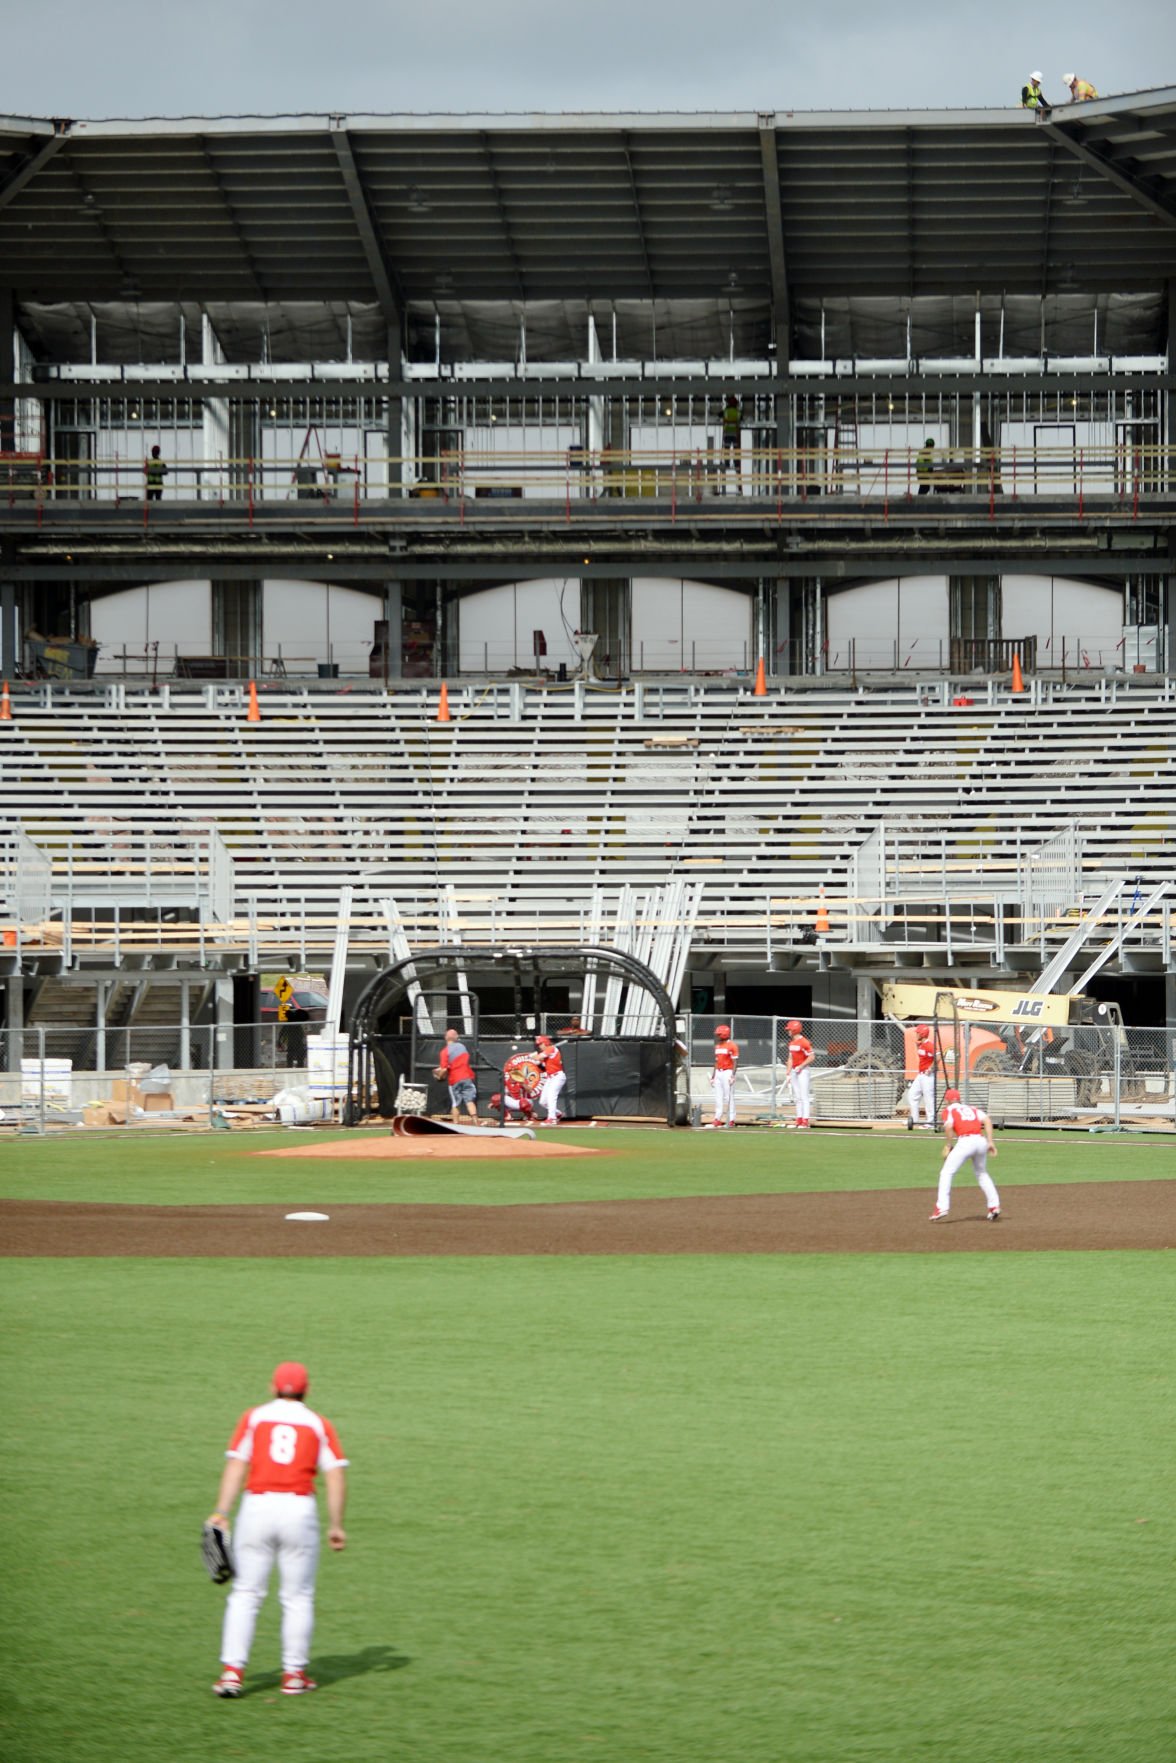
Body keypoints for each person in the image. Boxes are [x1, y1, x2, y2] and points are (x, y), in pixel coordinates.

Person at [210, 1361, 348, 1699]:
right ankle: (294, 1675)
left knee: (245, 1593)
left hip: (257, 1509)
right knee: (297, 1597)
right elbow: (335, 1474)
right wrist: (336, 1525)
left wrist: (221, 1511)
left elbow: (237, 1464)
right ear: (307, 1390)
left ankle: (232, 1673)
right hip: (299, 1511)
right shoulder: (318, 1423)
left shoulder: (254, 1417)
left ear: (273, 1387)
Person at [930, 1088, 1001, 1221]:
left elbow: (949, 1127)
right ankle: (994, 1206)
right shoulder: (972, 1108)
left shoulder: (949, 1110)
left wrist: (948, 1145)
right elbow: (987, 1120)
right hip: (980, 1141)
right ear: (959, 1099)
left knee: (946, 1172)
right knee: (981, 1173)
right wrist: (990, 1142)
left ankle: (942, 1207)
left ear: (948, 1100)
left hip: (966, 1141)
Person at [434, 1026, 478, 1122]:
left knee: (455, 1103)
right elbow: (459, 1061)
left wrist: (439, 1076)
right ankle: (475, 1122)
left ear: (446, 1037)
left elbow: (444, 1069)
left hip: (455, 1080)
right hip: (467, 1078)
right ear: (456, 1037)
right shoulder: (462, 1047)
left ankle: (456, 1124)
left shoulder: (444, 1052)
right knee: (469, 1101)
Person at [785, 1018, 815, 1128]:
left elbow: (812, 1056)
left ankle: (805, 1121)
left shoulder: (804, 1042)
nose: (788, 1031)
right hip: (794, 1071)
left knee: (804, 1096)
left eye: (789, 1029)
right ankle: (799, 1119)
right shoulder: (791, 1042)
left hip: (803, 1071)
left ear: (794, 1030)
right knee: (797, 1096)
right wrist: (788, 1073)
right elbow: (790, 1058)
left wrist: (801, 1066)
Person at [906, 1024, 937, 1130]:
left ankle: (930, 1122)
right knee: (912, 1095)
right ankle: (914, 1120)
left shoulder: (929, 1044)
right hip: (921, 1075)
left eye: (918, 1033)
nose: (916, 1034)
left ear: (922, 1034)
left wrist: (931, 1068)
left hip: (928, 1076)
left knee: (929, 1099)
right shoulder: (922, 1044)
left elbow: (938, 1056)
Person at [710, 1024, 739, 1128]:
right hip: (718, 1071)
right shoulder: (717, 1046)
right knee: (718, 1096)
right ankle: (717, 1118)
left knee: (729, 1096)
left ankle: (731, 1119)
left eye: (719, 1034)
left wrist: (733, 1075)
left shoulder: (732, 1045)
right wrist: (713, 1076)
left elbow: (735, 1061)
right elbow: (716, 1061)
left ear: (724, 1034)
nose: (717, 1036)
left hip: (727, 1072)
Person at [534, 1033, 566, 1125]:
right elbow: (541, 1062)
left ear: (545, 1042)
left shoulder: (551, 1048)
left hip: (558, 1077)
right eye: (538, 1045)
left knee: (551, 1096)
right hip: (550, 1078)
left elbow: (538, 1057)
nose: (539, 1046)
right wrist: (536, 1059)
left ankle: (552, 1118)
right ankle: (558, 1114)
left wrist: (532, 1056)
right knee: (543, 1102)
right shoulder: (548, 1053)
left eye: (540, 1044)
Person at [721, 392, 743, 494]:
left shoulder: (726, 411)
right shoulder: (737, 412)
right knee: (735, 451)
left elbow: (724, 419)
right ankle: (736, 464)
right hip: (734, 434)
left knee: (726, 450)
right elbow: (739, 420)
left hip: (727, 434)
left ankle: (726, 463)